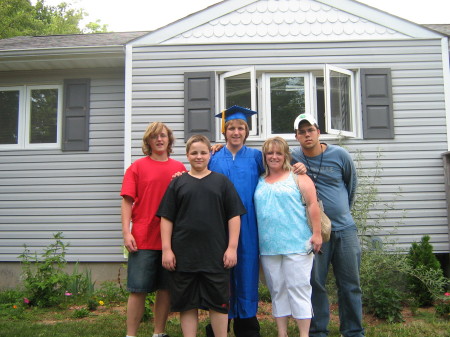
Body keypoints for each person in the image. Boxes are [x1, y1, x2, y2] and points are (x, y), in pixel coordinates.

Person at [157, 134, 246, 337]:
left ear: (209, 155)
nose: (199, 156)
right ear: (187, 155)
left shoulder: (222, 183)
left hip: (215, 256)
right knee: (188, 303)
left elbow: (234, 216)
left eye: (203, 152)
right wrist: (167, 249)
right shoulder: (178, 184)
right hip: (184, 256)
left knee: (219, 304)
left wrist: (232, 247)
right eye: (194, 153)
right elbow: (167, 217)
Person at [291, 113, 364, 337]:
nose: (307, 135)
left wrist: (341, 212)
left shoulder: (339, 154)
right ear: (297, 136)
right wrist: (218, 148)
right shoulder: (293, 158)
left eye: (310, 130)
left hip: (345, 230)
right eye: (302, 132)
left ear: (318, 132)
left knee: (350, 284)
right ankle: (317, 331)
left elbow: (351, 186)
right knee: (315, 283)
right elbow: (267, 157)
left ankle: (353, 331)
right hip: (315, 232)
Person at [120, 122, 187, 337]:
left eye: (163, 136)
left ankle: (159, 333)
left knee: (165, 289)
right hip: (143, 237)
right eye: (154, 137)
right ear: (148, 142)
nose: (159, 140)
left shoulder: (180, 169)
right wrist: (126, 232)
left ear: (169, 140)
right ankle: (131, 334)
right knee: (138, 290)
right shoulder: (137, 167)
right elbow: (127, 202)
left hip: (171, 240)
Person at [254, 136, 322, 337]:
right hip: (269, 247)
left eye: (278, 152)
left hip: (297, 245)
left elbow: (312, 205)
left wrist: (317, 234)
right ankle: (281, 334)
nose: (274, 156)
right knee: (278, 291)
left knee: (299, 289)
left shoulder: (299, 177)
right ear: (265, 156)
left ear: (285, 155)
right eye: (270, 152)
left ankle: (303, 334)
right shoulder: (259, 180)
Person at [208, 105, 264, 337]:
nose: (236, 132)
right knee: (221, 273)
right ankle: (219, 325)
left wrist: (298, 169)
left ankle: (247, 325)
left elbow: (278, 172)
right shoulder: (213, 157)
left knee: (247, 270)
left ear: (246, 131)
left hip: (249, 223)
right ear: (224, 131)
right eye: (231, 128)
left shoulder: (257, 156)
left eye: (241, 128)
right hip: (219, 225)